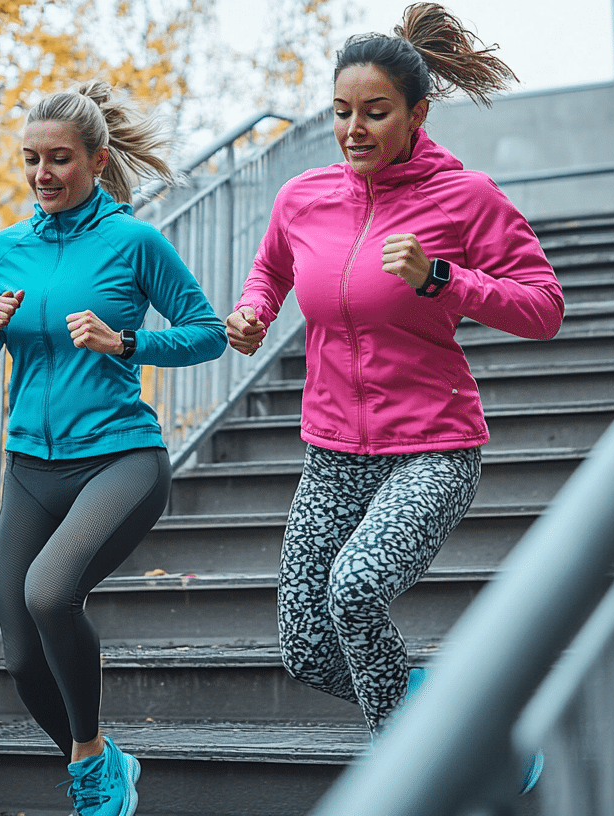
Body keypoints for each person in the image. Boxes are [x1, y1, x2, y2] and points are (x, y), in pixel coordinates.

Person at [224, 0, 563, 792]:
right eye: (341, 111)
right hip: (333, 450)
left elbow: (544, 305)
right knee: (307, 645)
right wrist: (252, 313)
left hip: (434, 448)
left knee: (355, 587)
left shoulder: (466, 197)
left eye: (375, 113)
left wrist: (444, 278)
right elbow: (272, 269)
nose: (354, 129)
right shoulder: (304, 197)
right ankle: (462, 718)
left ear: (417, 113)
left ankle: (417, 771)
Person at [0, 80, 225, 816]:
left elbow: (206, 331)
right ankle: (100, 761)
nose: (42, 173)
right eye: (31, 159)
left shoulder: (135, 241)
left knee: (49, 593)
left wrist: (127, 341)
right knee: (18, 657)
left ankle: (89, 765)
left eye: (59, 159)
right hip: (29, 467)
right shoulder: (2, 249)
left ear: (97, 159)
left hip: (119, 457)